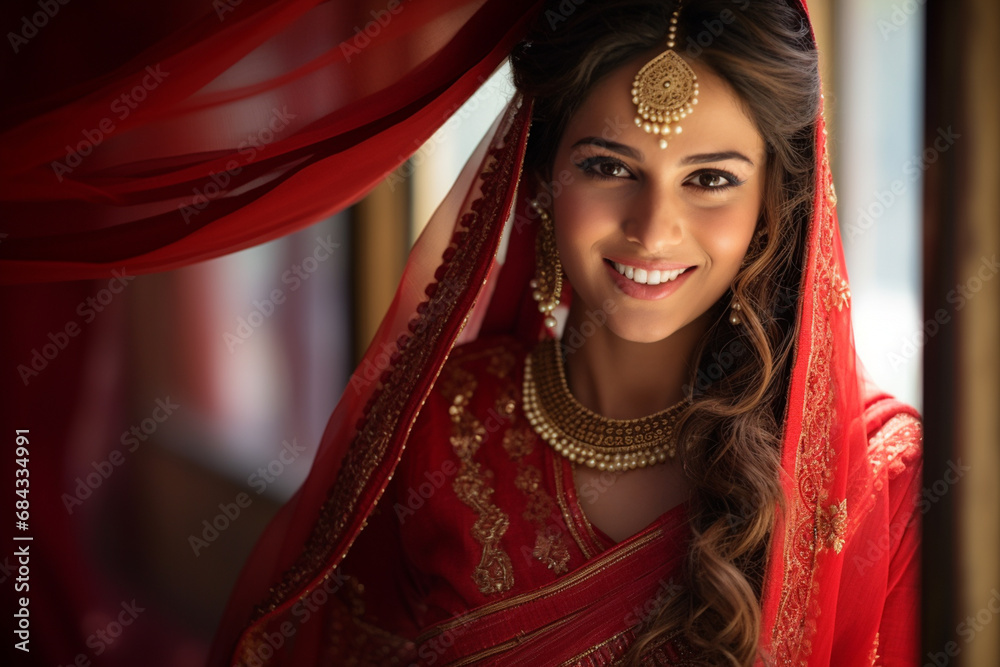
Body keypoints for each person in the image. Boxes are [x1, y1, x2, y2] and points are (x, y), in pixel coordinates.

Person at [210, 1, 922, 665]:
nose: (652, 229)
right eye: (608, 167)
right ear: (542, 177)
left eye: (709, 179)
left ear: (772, 204)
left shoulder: (877, 477)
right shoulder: (442, 423)